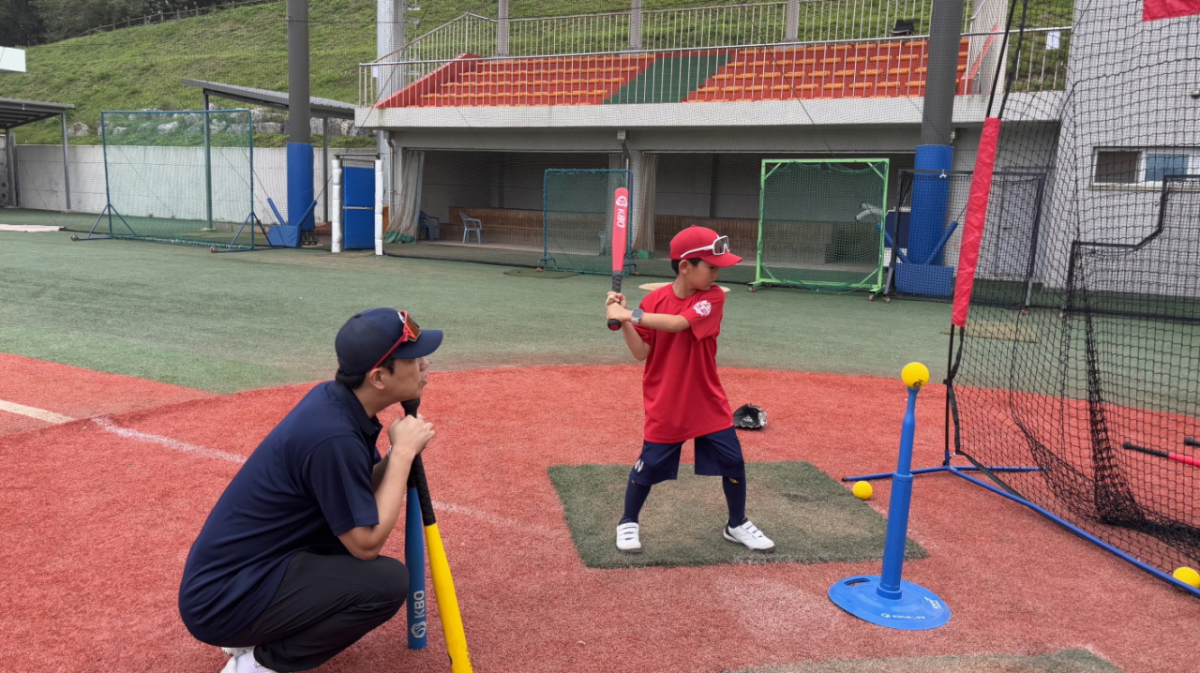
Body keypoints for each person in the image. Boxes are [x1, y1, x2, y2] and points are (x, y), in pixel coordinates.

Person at [179, 308, 442, 673]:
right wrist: (401, 457)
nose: (426, 365)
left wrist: (398, 458)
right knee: (387, 583)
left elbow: (356, 488)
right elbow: (366, 545)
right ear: (379, 377)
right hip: (223, 599)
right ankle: (256, 664)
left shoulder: (338, 403)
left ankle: (258, 626)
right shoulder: (332, 436)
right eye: (414, 359)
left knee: (345, 543)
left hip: (249, 574)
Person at [605, 226, 774, 554]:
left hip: (706, 400)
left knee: (733, 461)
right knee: (649, 466)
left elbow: (679, 323)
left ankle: (736, 524)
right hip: (666, 399)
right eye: (711, 266)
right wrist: (624, 320)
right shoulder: (653, 301)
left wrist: (629, 313)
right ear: (685, 266)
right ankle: (628, 521)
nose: (717, 272)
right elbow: (642, 352)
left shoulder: (713, 297)